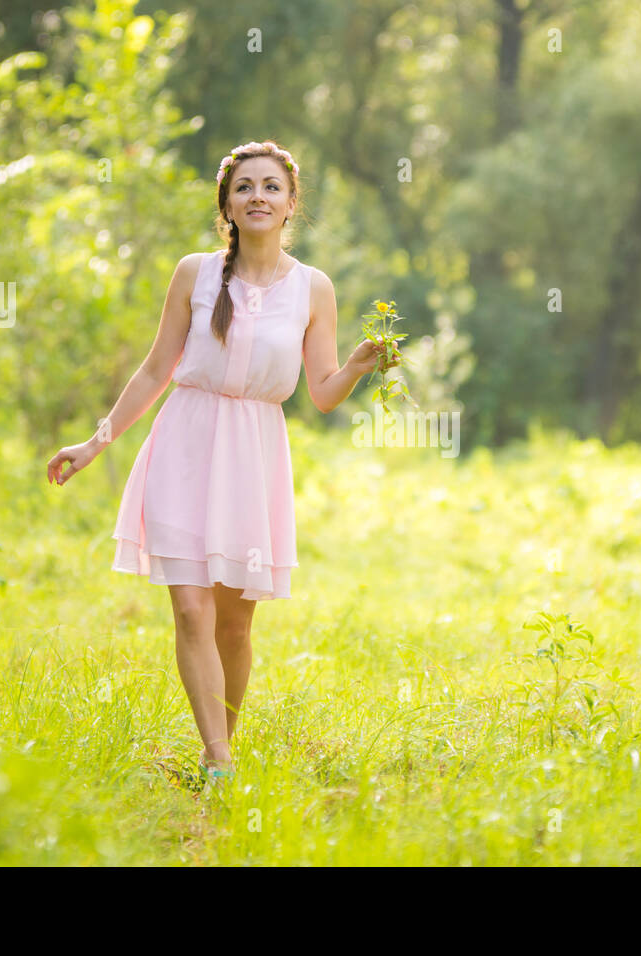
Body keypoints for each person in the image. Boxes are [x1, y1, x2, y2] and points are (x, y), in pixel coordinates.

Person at [46, 140, 397, 786]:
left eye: (270, 187)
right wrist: (97, 441)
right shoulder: (194, 273)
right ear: (227, 206)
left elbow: (320, 392)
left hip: (253, 457)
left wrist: (354, 366)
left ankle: (220, 749)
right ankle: (218, 757)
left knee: (235, 625)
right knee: (190, 610)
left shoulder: (312, 288)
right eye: (244, 188)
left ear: (291, 203)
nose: (257, 197)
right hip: (184, 443)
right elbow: (156, 369)